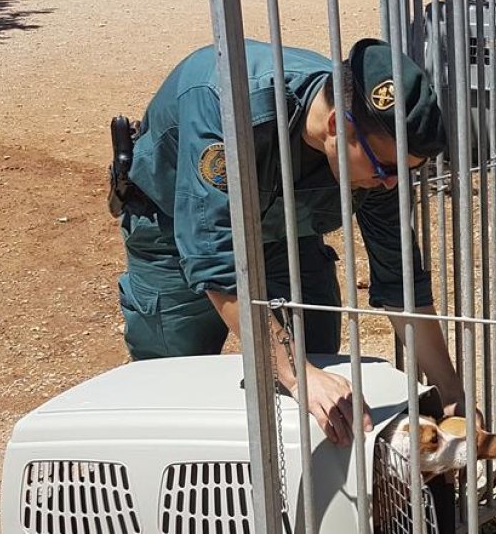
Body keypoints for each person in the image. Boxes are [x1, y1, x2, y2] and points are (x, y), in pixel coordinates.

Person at [114, 37, 467, 446]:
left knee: (321, 402)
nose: (392, 183)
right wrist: (297, 373)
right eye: (387, 169)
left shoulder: (378, 154)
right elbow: (215, 258)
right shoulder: (231, 105)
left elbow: (399, 275)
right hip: (176, 235)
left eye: (405, 173)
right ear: (338, 125)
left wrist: (450, 393)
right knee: (173, 389)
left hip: (286, 238)